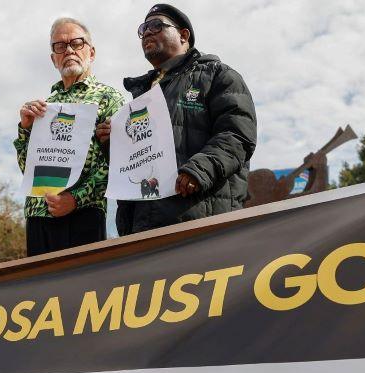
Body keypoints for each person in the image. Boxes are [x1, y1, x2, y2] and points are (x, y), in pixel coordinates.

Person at [103, 4, 256, 235]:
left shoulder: (218, 75)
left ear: (184, 35)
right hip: (142, 229)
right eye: (143, 28)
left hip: (199, 222)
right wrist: (112, 143)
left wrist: (199, 169)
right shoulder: (140, 97)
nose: (147, 32)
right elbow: (138, 162)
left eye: (156, 25)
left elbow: (237, 134)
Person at [15, 17, 124, 256]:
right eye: (60, 46)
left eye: (77, 43)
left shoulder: (109, 98)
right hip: (38, 212)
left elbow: (117, 162)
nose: (69, 50)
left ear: (91, 52)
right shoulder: (45, 106)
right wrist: (24, 128)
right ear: (53, 58)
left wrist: (76, 199)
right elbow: (28, 168)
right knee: (41, 291)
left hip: (84, 213)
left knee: (83, 290)